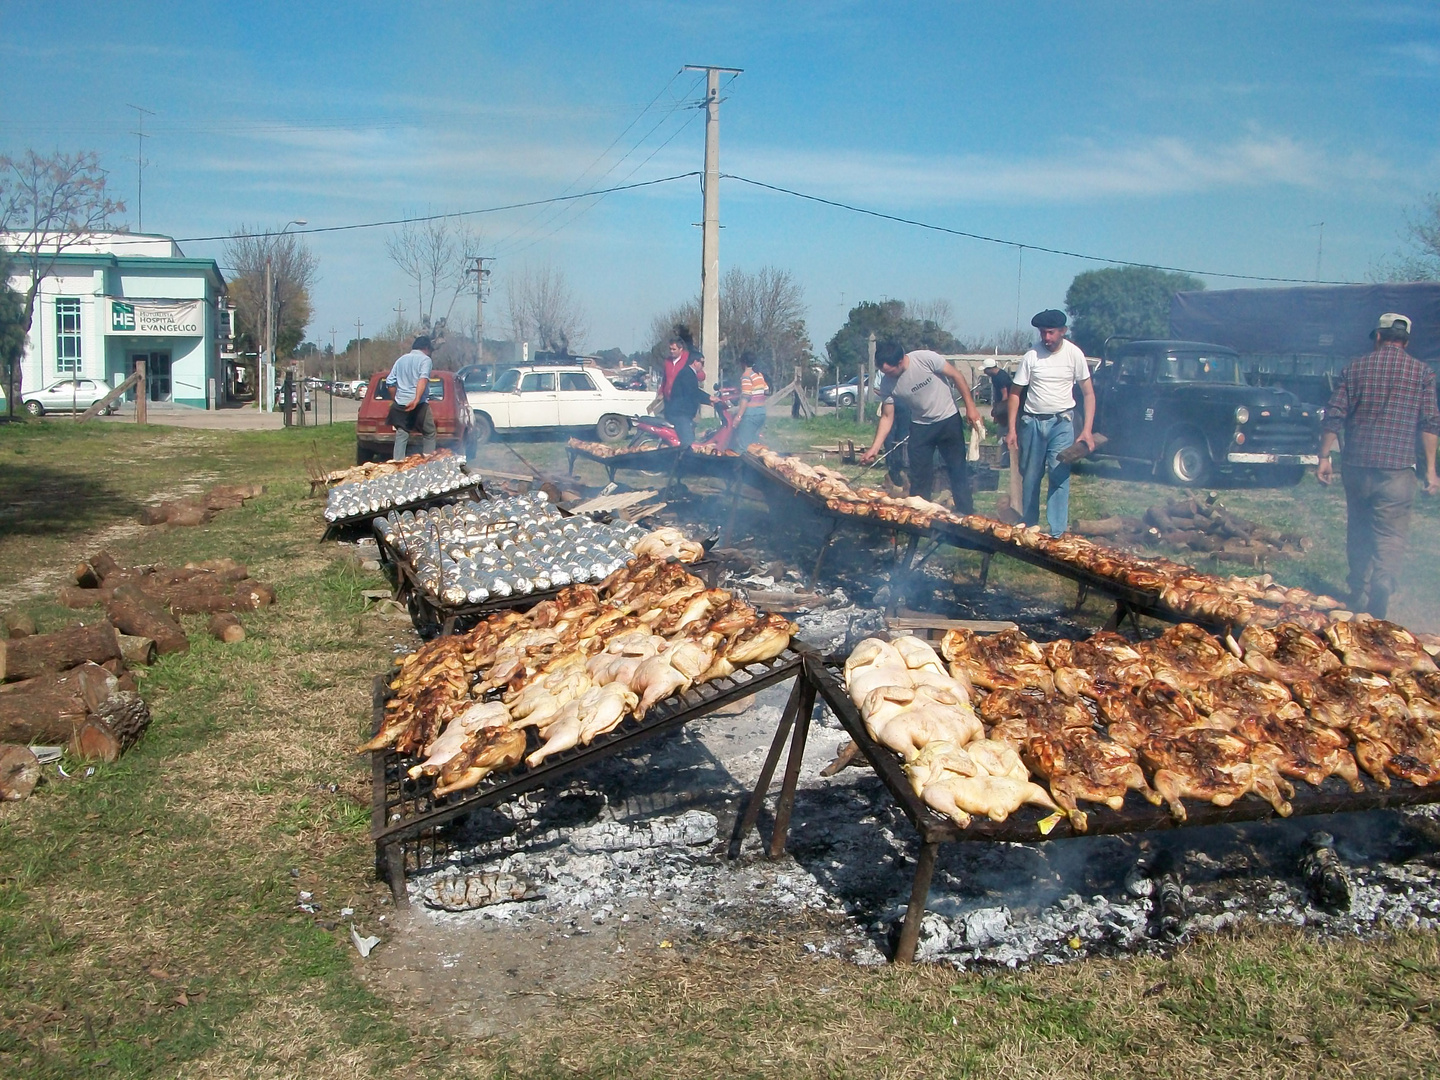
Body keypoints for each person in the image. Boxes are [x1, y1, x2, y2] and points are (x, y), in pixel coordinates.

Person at [1317, 312, 1440, 619]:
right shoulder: (1422, 373)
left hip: (1358, 468)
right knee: (1390, 535)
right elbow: (1429, 423)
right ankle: (1382, 581)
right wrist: (1431, 471)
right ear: (1406, 340)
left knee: (1358, 528)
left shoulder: (1355, 368)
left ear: (1378, 336)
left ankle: (1358, 589)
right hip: (1398, 471)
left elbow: (1334, 414)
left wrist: (1324, 457)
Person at [860, 342, 983, 512]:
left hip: (948, 419)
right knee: (919, 477)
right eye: (884, 372)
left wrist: (971, 407)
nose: (888, 376)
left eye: (890, 371)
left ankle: (967, 516)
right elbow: (887, 416)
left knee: (957, 470)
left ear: (901, 361)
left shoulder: (925, 359)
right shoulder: (887, 384)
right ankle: (920, 520)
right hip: (920, 426)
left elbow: (957, 376)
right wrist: (874, 448)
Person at [1006, 310, 1096, 535]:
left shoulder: (1074, 355)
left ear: (1063, 331)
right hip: (1032, 423)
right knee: (1031, 475)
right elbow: (1015, 393)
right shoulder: (1031, 356)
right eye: (1043, 333)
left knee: (1059, 473)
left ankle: (1056, 532)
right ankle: (1029, 524)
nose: (1046, 337)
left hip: (1061, 422)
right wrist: (1011, 429)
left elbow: (1088, 394)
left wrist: (1087, 430)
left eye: (1051, 332)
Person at [651, 325, 705, 448]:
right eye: (670, 349)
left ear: (681, 349)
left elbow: (698, 373)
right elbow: (665, 378)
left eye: (674, 349)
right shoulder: (668, 362)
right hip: (669, 399)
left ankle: (687, 443)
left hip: (684, 400)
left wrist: (699, 374)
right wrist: (660, 392)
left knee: (687, 425)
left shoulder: (687, 359)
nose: (671, 351)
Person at [385, 335, 437, 459]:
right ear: (426, 348)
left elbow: (390, 382)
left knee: (402, 434)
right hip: (419, 404)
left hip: (400, 403)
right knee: (429, 433)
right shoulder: (425, 360)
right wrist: (416, 400)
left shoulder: (401, 359)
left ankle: (398, 464)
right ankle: (429, 464)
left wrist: (395, 399)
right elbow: (423, 379)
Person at [730, 351, 770, 450]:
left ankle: (740, 464)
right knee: (754, 447)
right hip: (761, 413)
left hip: (750, 416)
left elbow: (746, 397)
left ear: (743, 363)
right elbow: (766, 391)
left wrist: (738, 417)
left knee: (743, 446)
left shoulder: (746, 375)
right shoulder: (758, 374)